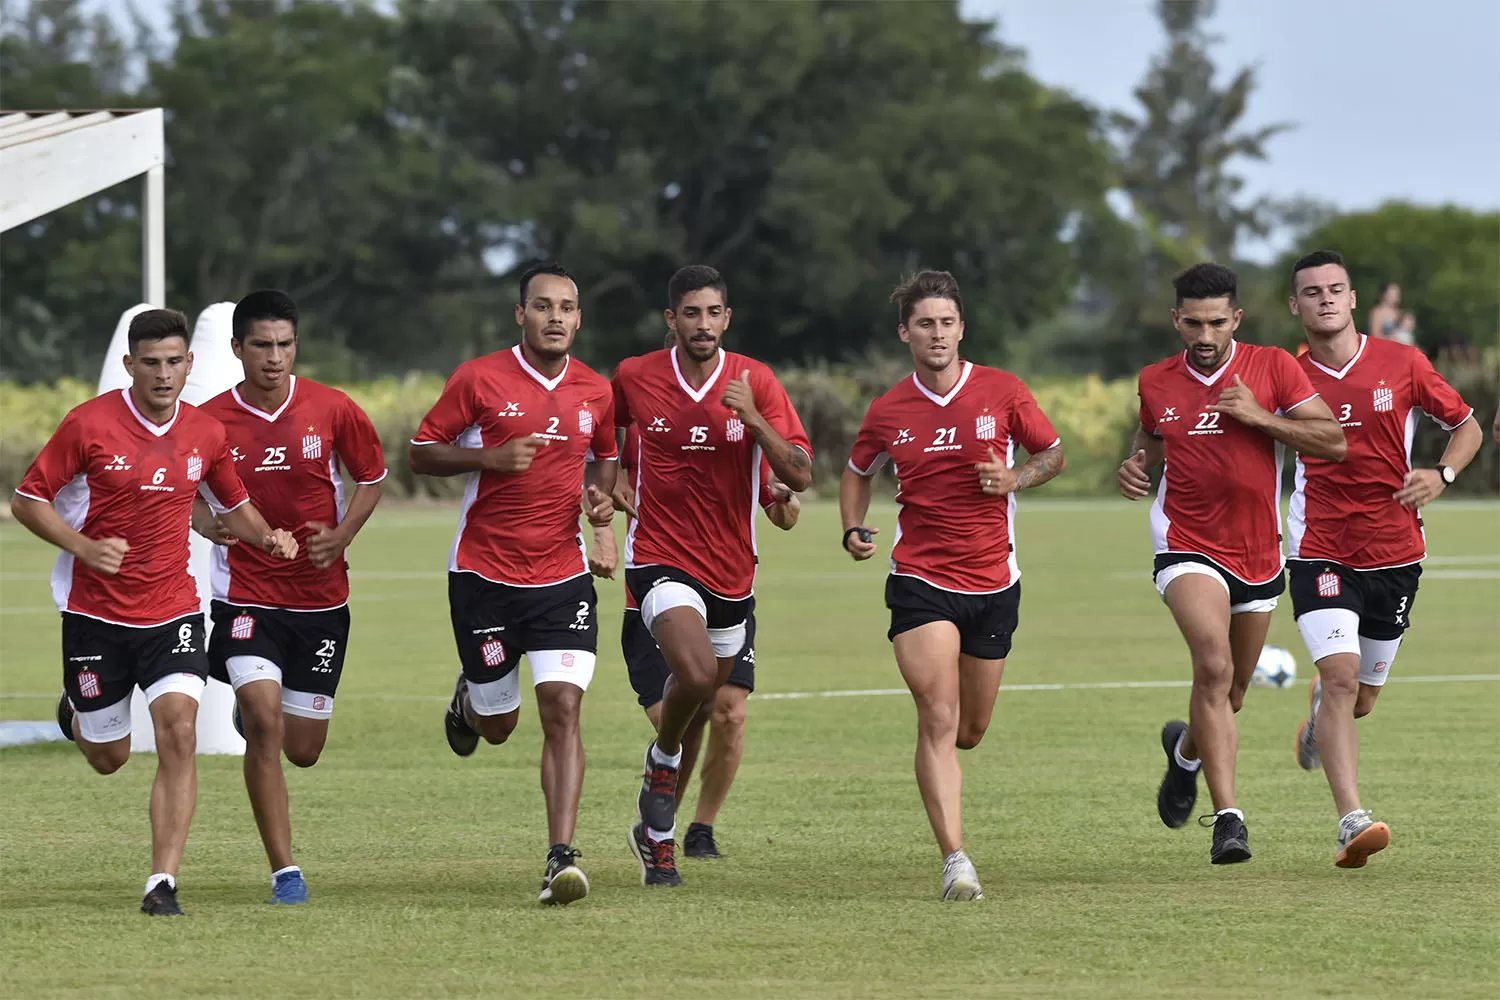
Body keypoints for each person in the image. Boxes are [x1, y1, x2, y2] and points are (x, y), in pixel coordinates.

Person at [11, 308, 298, 916]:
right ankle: (81, 712)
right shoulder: (87, 425)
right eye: (151, 363)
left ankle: (161, 882)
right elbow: (27, 500)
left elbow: (233, 503)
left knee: (180, 732)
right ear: (129, 366)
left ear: (188, 364)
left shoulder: (205, 432)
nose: (163, 374)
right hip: (95, 616)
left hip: (172, 611)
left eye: (174, 362)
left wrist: (267, 535)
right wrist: (84, 547)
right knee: (109, 757)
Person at [841, 270, 1065, 901]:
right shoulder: (888, 409)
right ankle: (956, 860)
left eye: (946, 323)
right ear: (905, 332)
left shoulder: (1002, 391)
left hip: (995, 582)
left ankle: (952, 820)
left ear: (961, 329)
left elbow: (1053, 455)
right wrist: (853, 527)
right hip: (920, 581)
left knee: (969, 729)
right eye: (924, 324)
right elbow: (857, 471)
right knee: (937, 716)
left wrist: (1016, 478)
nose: (936, 334)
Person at [1119, 262, 1345, 865]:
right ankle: (1229, 820)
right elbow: (1151, 441)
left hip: (1258, 550)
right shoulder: (1154, 380)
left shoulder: (1273, 368)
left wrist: (1260, 417)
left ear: (1235, 319)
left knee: (1231, 692)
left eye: (1216, 322)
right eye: (1192, 322)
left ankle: (1184, 756)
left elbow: (1333, 441)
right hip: (1184, 542)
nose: (1204, 334)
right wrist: (1135, 467)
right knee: (1213, 666)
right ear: (1176, 320)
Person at [409, 264, 619, 906]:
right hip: (484, 576)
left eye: (567, 307)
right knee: (498, 724)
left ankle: (561, 856)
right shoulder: (478, 379)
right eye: (542, 306)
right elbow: (420, 450)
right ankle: (468, 703)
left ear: (579, 318)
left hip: (561, 574)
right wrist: (488, 458)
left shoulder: (595, 389)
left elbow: (605, 456)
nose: (556, 317)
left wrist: (601, 504)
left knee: (563, 706)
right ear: (519, 315)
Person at [611, 264, 812, 886]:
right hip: (661, 560)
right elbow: (602, 445)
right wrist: (606, 488)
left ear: (727, 318)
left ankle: (660, 838)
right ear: (671, 319)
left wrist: (755, 419)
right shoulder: (634, 376)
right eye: (690, 313)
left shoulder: (756, 382)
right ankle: (662, 764)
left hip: (733, 576)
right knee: (696, 680)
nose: (703, 325)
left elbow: (801, 475)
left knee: (709, 710)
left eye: (713, 313)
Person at [1284, 250, 1481, 867]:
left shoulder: (1403, 362)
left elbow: (1468, 424)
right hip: (1317, 546)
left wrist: (1442, 473)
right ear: (1296, 306)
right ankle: (1351, 821)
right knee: (1342, 677)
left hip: (1395, 549)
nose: (1324, 300)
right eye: (1311, 292)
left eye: (1335, 289)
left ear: (1351, 298)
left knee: (1360, 697)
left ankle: (1322, 711)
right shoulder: (1281, 374)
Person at [192, 290, 387, 904]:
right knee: (269, 723)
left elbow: (373, 477)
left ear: (295, 345)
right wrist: (206, 522)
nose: (274, 358)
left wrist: (343, 535)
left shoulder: (332, 409)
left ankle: (252, 712)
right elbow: (183, 493)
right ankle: (286, 872)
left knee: (302, 749)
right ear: (236, 349)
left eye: (284, 345)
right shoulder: (210, 421)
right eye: (260, 346)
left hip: (322, 602)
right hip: (245, 593)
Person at [615, 419, 801, 860]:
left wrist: (784, 499)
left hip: (726, 593)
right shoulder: (639, 427)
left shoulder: (728, 434)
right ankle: (657, 829)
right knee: (679, 722)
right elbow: (606, 483)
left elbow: (783, 515)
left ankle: (699, 828)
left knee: (729, 713)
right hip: (657, 594)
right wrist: (604, 536)